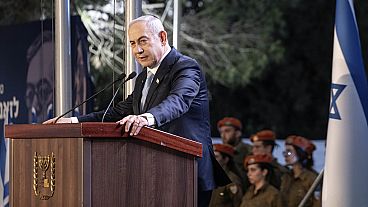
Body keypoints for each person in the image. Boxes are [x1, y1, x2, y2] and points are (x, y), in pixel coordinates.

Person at [44, 15, 230, 206]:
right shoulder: (143, 78)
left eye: (143, 41)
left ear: (163, 38)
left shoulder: (186, 67)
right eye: (132, 43)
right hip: (153, 173)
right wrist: (73, 122)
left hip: (187, 172)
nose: (137, 50)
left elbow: (178, 101)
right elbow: (117, 113)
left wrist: (146, 119)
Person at [280, 135, 321, 207]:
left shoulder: (312, 180)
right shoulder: (286, 177)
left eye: (289, 152)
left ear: (300, 153)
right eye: (285, 152)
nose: (285, 155)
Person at [217, 117, 252, 190]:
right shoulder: (219, 152)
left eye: (227, 131)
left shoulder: (248, 151)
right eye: (221, 132)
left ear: (237, 133)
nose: (223, 135)